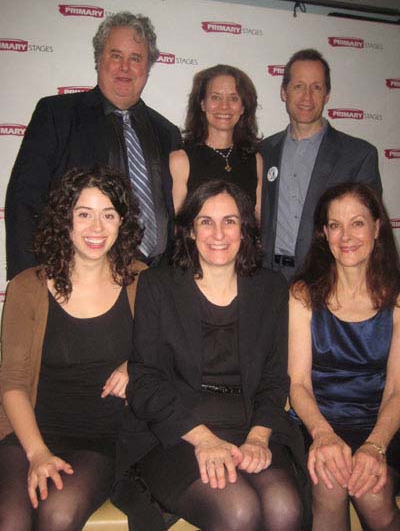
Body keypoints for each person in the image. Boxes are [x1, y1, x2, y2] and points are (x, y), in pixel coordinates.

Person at [114, 180, 308, 531]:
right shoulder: (158, 286)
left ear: (245, 230)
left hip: (250, 423)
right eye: (206, 221)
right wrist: (203, 439)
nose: (218, 233)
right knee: (238, 510)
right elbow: (145, 381)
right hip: (176, 431)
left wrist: (258, 437)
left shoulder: (271, 288)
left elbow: (275, 377)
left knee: (285, 507)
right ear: (189, 230)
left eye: (230, 221)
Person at [0, 167, 146, 530]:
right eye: (84, 214)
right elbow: (13, 382)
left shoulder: (144, 281)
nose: (96, 228)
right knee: (11, 521)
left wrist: (136, 365)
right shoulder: (26, 287)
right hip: (30, 435)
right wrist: (37, 454)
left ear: (121, 221)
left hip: (101, 442)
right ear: (65, 218)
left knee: (58, 513)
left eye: (108, 214)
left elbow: (174, 350)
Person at [5, 11, 181, 279]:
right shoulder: (57, 115)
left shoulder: (167, 133)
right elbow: (24, 200)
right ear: (98, 59)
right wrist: (29, 279)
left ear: (148, 67)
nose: (125, 67)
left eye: (136, 58)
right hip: (75, 279)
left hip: (155, 281)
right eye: (115, 55)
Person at [288, 182, 400, 530]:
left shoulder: (397, 299)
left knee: (372, 492)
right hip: (317, 423)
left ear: (377, 227)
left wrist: (375, 446)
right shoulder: (303, 295)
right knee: (330, 482)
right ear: (324, 233)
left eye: (357, 223)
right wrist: (323, 435)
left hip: (384, 425)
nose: (346, 236)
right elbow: (299, 385)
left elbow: (397, 390)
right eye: (335, 225)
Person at [259, 48, 382, 281]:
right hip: (269, 279)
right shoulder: (263, 152)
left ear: (327, 95)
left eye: (316, 87)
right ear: (284, 92)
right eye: (298, 86)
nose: (307, 97)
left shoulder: (359, 155)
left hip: (330, 279)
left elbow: (368, 230)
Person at [170, 64, 263, 219]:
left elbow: (258, 223)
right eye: (215, 97)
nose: (224, 106)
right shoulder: (180, 160)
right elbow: (175, 227)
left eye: (234, 98)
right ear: (202, 104)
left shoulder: (256, 161)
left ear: (243, 107)